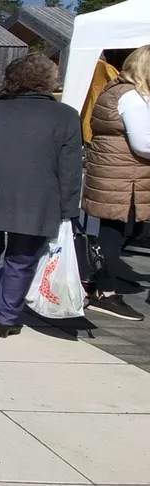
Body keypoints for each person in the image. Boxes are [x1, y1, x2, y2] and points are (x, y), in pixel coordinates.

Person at [0, 54, 85, 334]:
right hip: (36, 198)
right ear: (48, 80)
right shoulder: (65, 116)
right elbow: (70, 168)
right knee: (22, 258)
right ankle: (7, 317)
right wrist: (68, 208)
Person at [82, 45, 150, 321]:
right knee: (116, 232)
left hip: (119, 176)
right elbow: (143, 143)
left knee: (121, 230)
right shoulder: (131, 97)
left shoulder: (119, 90)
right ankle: (104, 291)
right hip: (124, 178)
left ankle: (96, 279)